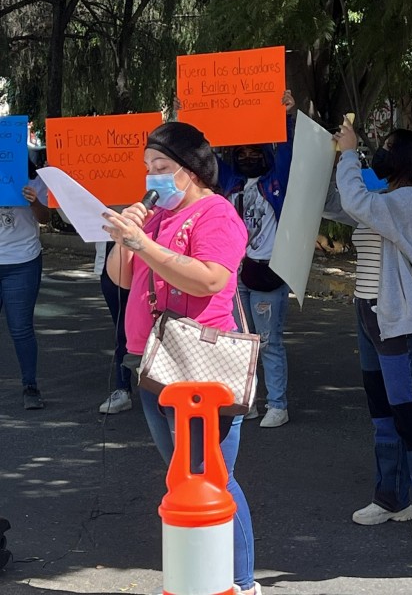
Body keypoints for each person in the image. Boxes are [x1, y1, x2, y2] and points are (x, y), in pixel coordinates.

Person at [102, 121, 260, 595]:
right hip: (151, 362)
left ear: (191, 170)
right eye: (148, 168)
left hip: (197, 367)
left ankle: (242, 582)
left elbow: (211, 279)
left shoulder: (216, 215)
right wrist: (125, 236)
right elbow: (122, 278)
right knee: (181, 475)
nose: (152, 178)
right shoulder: (154, 218)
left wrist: (144, 245)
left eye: (162, 167)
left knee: (214, 477)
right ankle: (202, 576)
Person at [328, 119, 412, 540]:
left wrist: (348, 153)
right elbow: (341, 204)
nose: (379, 152)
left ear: (403, 159)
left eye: (385, 147)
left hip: (397, 320)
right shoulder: (385, 200)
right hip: (370, 315)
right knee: (383, 412)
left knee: (410, 412)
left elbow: (358, 204)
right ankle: (391, 499)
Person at [217, 90, 295, 428]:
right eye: (242, 152)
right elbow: (200, 152)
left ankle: (277, 403)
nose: (248, 156)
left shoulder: (276, 181)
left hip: (267, 274)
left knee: (269, 342)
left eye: (255, 151)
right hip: (235, 277)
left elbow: (290, 154)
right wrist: (184, 119)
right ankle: (245, 400)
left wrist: (288, 119)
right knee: (238, 342)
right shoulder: (229, 182)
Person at [1, 159, 49, 409]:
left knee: (20, 328)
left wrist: (34, 201)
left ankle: (30, 386)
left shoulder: (33, 178)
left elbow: (45, 217)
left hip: (22, 261)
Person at [96, 241, 133, 414]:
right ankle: (122, 389)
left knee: (158, 329)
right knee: (122, 331)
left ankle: (164, 388)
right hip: (112, 261)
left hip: (149, 262)